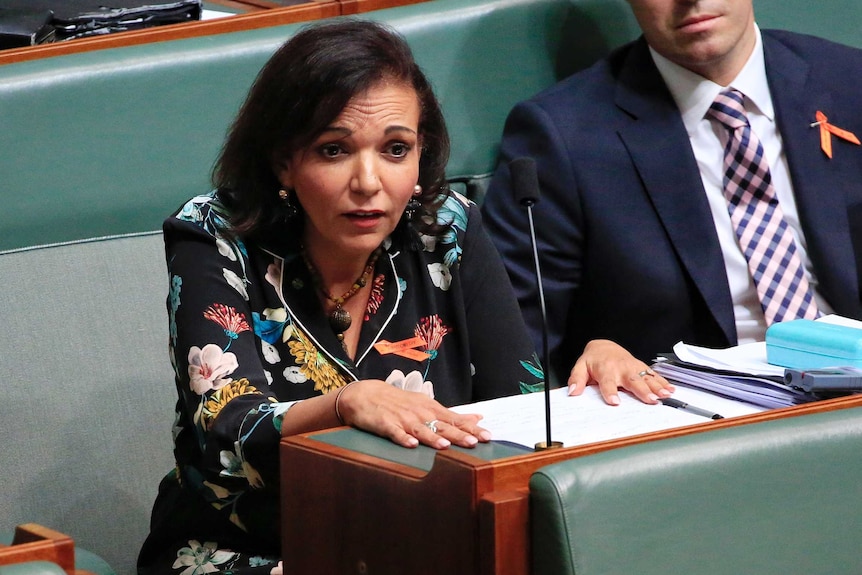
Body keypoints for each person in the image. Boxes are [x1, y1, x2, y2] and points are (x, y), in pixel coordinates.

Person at [137, 19, 662, 575]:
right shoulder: (215, 235)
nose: (368, 181)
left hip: (420, 543)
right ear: (283, 161)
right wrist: (344, 404)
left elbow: (517, 414)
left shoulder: (448, 231)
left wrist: (592, 375)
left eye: (395, 149)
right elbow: (224, 430)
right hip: (250, 550)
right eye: (334, 149)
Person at [481, 0, 862, 403]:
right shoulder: (562, 136)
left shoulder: (849, 81)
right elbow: (514, 344)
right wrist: (593, 361)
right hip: (690, 415)